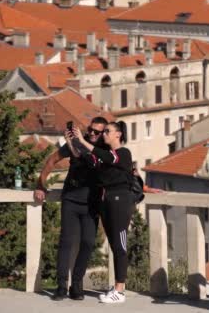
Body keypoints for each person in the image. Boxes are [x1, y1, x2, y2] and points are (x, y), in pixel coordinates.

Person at [33, 116, 108, 301]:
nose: (91, 133)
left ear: (103, 134)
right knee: (66, 241)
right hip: (71, 200)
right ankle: (61, 286)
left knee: (89, 243)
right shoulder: (74, 143)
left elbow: (97, 164)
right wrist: (41, 185)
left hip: (91, 204)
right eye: (90, 129)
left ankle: (77, 284)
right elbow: (51, 161)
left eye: (96, 132)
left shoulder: (103, 150)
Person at [73, 121, 135, 304]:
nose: (104, 134)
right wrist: (74, 141)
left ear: (118, 134)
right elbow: (88, 158)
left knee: (120, 246)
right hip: (106, 202)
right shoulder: (105, 155)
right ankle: (116, 288)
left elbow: (108, 158)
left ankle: (120, 290)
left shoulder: (123, 153)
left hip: (120, 202)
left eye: (108, 131)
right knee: (114, 245)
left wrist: (85, 143)